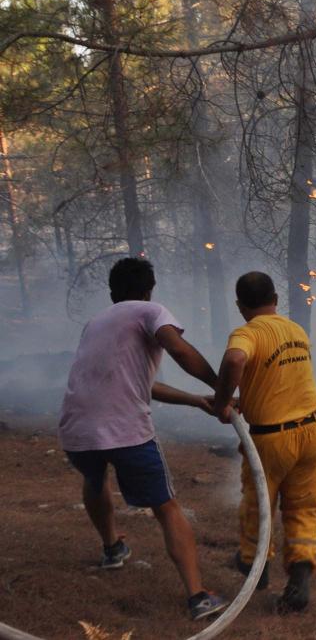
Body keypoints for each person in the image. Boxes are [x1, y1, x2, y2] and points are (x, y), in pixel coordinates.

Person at [58, 257, 229, 621]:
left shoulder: (96, 323)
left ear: (111, 292)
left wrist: (197, 401)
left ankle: (112, 549)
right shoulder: (151, 311)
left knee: (94, 477)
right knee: (166, 507)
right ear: (149, 290)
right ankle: (198, 596)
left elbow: (139, 385)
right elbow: (180, 351)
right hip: (125, 430)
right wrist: (220, 388)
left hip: (76, 426)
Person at [212, 271, 316, 614]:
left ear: (240, 306)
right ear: (275, 299)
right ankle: (301, 571)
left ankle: (254, 564)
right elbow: (278, 381)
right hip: (315, 431)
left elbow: (236, 360)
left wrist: (222, 403)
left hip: (273, 439)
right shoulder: (296, 330)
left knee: (259, 502)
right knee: (305, 506)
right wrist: (244, 401)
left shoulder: (247, 332)